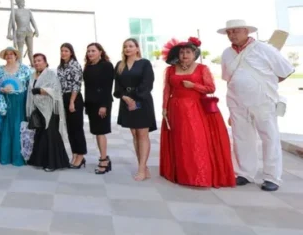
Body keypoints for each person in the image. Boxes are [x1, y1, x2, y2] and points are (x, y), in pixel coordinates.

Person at [219, 19, 295, 192]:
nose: (232, 35)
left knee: (269, 137)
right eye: (229, 32)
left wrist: (267, 84)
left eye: (236, 31)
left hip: (263, 100)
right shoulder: (226, 53)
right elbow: (228, 77)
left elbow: (286, 70)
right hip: (236, 101)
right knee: (241, 137)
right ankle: (245, 173)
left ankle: (272, 176)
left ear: (246, 31)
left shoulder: (265, 49)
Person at [160, 37, 235, 188]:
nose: (184, 55)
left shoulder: (202, 69)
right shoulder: (170, 69)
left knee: (196, 140)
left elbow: (211, 88)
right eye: (182, 52)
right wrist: (164, 108)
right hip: (176, 109)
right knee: (179, 141)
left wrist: (194, 85)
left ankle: (199, 175)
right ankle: (181, 174)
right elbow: (167, 90)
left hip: (196, 109)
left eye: (188, 52)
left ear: (195, 54)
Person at [114, 38, 157, 181]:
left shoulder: (145, 63)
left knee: (143, 134)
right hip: (126, 102)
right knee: (134, 135)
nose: (128, 49)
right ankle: (143, 166)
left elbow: (148, 83)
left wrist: (136, 99)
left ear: (137, 48)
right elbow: (118, 86)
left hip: (142, 102)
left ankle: (141, 169)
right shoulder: (120, 65)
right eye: (125, 46)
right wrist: (125, 97)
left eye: (131, 46)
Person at [26, 53, 70, 172]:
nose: (37, 63)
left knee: (51, 135)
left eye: (39, 60)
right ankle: (39, 160)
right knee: (40, 135)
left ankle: (53, 163)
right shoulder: (32, 75)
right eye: (35, 61)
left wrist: (41, 90)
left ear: (45, 62)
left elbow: (56, 90)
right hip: (37, 109)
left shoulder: (50, 74)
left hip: (49, 109)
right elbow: (30, 92)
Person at [0, 46, 31, 166]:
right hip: (4, 101)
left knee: (17, 127)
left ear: (16, 56)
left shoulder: (25, 69)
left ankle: (18, 156)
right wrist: (1, 89)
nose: (9, 56)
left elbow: (29, 86)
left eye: (11, 54)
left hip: (19, 102)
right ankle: (4, 155)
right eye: (7, 54)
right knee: (4, 126)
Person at [82, 43, 115, 175]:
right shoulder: (88, 67)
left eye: (93, 51)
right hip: (90, 103)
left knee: (101, 131)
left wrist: (104, 105)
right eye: (88, 51)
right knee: (96, 131)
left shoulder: (106, 65)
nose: (90, 53)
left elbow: (107, 86)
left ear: (100, 52)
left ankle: (104, 160)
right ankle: (104, 157)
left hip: (102, 103)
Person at [57, 43, 87, 169]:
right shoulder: (61, 67)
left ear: (71, 52)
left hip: (73, 98)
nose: (63, 53)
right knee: (69, 129)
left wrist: (72, 102)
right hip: (64, 97)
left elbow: (77, 85)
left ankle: (80, 155)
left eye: (66, 51)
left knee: (77, 128)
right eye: (62, 51)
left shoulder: (75, 65)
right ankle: (74, 154)